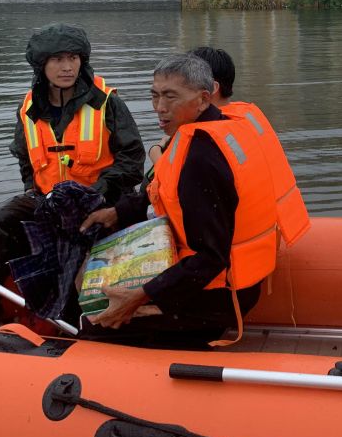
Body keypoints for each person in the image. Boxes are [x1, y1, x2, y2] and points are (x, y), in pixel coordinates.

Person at [78, 53, 279, 348]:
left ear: (203, 98)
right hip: (225, 283)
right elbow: (159, 192)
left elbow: (211, 257)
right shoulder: (204, 131)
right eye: (155, 96)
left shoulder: (201, 157)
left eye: (171, 97)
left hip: (217, 299)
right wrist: (116, 213)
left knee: (94, 329)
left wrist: (139, 297)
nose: (160, 108)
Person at [0, 23, 145, 327]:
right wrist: (35, 193)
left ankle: (79, 321)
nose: (67, 67)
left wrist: (100, 194)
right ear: (41, 65)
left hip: (98, 203)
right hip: (45, 201)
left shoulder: (107, 102)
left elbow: (132, 160)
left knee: (75, 253)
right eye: (58, 59)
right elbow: (24, 157)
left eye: (73, 58)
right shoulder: (27, 108)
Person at [189, 46, 310, 247]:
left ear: (211, 89)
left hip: (231, 255)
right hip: (268, 236)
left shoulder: (209, 137)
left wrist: (157, 152)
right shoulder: (246, 119)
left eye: (185, 83)